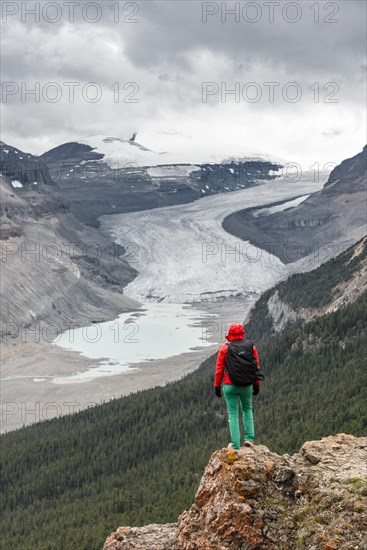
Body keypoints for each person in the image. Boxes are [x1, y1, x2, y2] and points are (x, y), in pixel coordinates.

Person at [214, 322, 261, 450]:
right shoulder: (251, 348)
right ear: (242, 334)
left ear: (230, 334)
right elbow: (256, 367)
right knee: (247, 410)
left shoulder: (225, 349)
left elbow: (219, 370)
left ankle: (234, 445)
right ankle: (249, 439)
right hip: (247, 385)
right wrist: (256, 384)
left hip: (230, 385)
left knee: (233, 414)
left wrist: (217, 386)